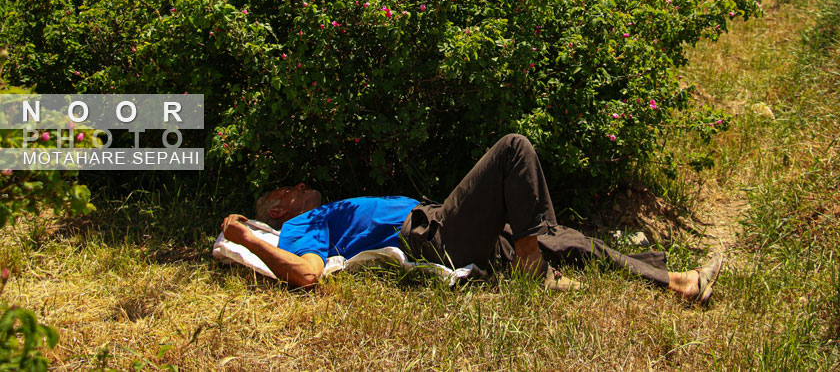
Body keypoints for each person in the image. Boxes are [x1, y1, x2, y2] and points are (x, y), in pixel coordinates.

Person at [220, 133, 723, 303]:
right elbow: (305, 273)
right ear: (281, 208)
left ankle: (676, 282)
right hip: (427, 237)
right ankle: (532, 267)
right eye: (287, 190)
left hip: (444, 223)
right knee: (512, 150)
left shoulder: (324, 209)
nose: (299, 185)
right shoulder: (302, 225)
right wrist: (244, 233)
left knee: (566, 237)